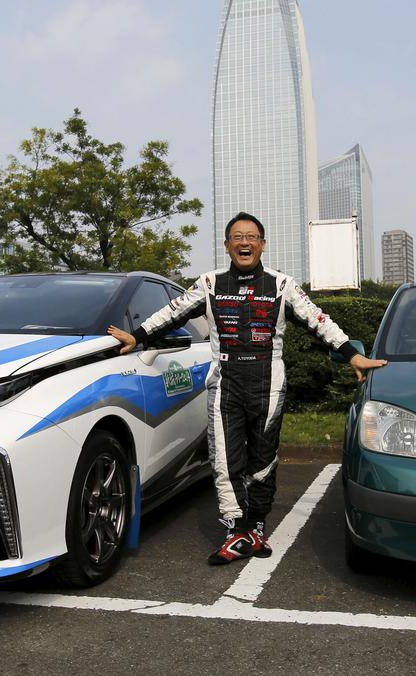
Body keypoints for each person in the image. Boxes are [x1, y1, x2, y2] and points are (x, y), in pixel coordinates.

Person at [108, 212, 386, 565]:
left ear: (262, 245)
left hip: (269, 385)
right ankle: (235, 531)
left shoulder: (282, 285)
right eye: (237, 237)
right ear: (227, 245)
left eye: (251, 236)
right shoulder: (208, 283)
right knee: (224, 462)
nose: (244, 242)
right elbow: (172, 312)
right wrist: (138, 336)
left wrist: (351, 355)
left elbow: (319, 320)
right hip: (225, 384)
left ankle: (255, 528)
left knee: (262, 462)